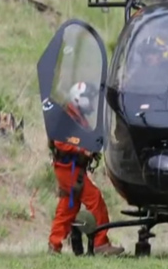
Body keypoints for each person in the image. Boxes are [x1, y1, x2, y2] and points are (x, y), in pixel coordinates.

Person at [47, 81, 124, 256]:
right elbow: (62, 141)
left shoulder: (76, 117)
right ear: (78, 99)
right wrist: (82, 148)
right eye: (89, 99)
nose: (91, 102)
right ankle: (101, 243)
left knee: (68, 207)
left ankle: (54, 245)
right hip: (69, 169)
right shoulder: (66, 117)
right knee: (95, 200)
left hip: (72, 169)